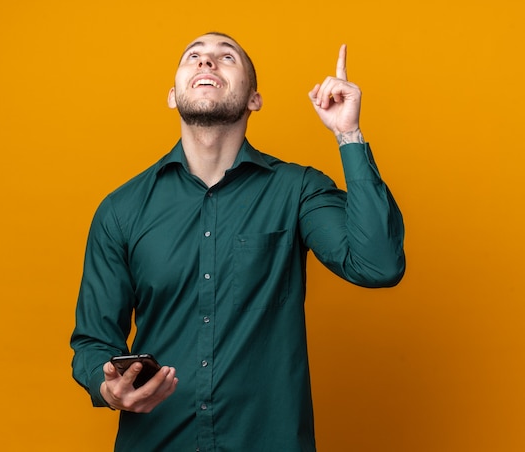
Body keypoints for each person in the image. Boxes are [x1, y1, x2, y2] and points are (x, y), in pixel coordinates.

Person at [71, 32, 405, 452]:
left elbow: (379, 264)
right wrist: (108, 391)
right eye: (194, 56)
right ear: (173, 95)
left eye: (225, 57)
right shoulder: (121, 210)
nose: (206, 63)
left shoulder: (297, 190)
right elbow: (93, 342)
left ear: (254, 99)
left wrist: (349, 136)